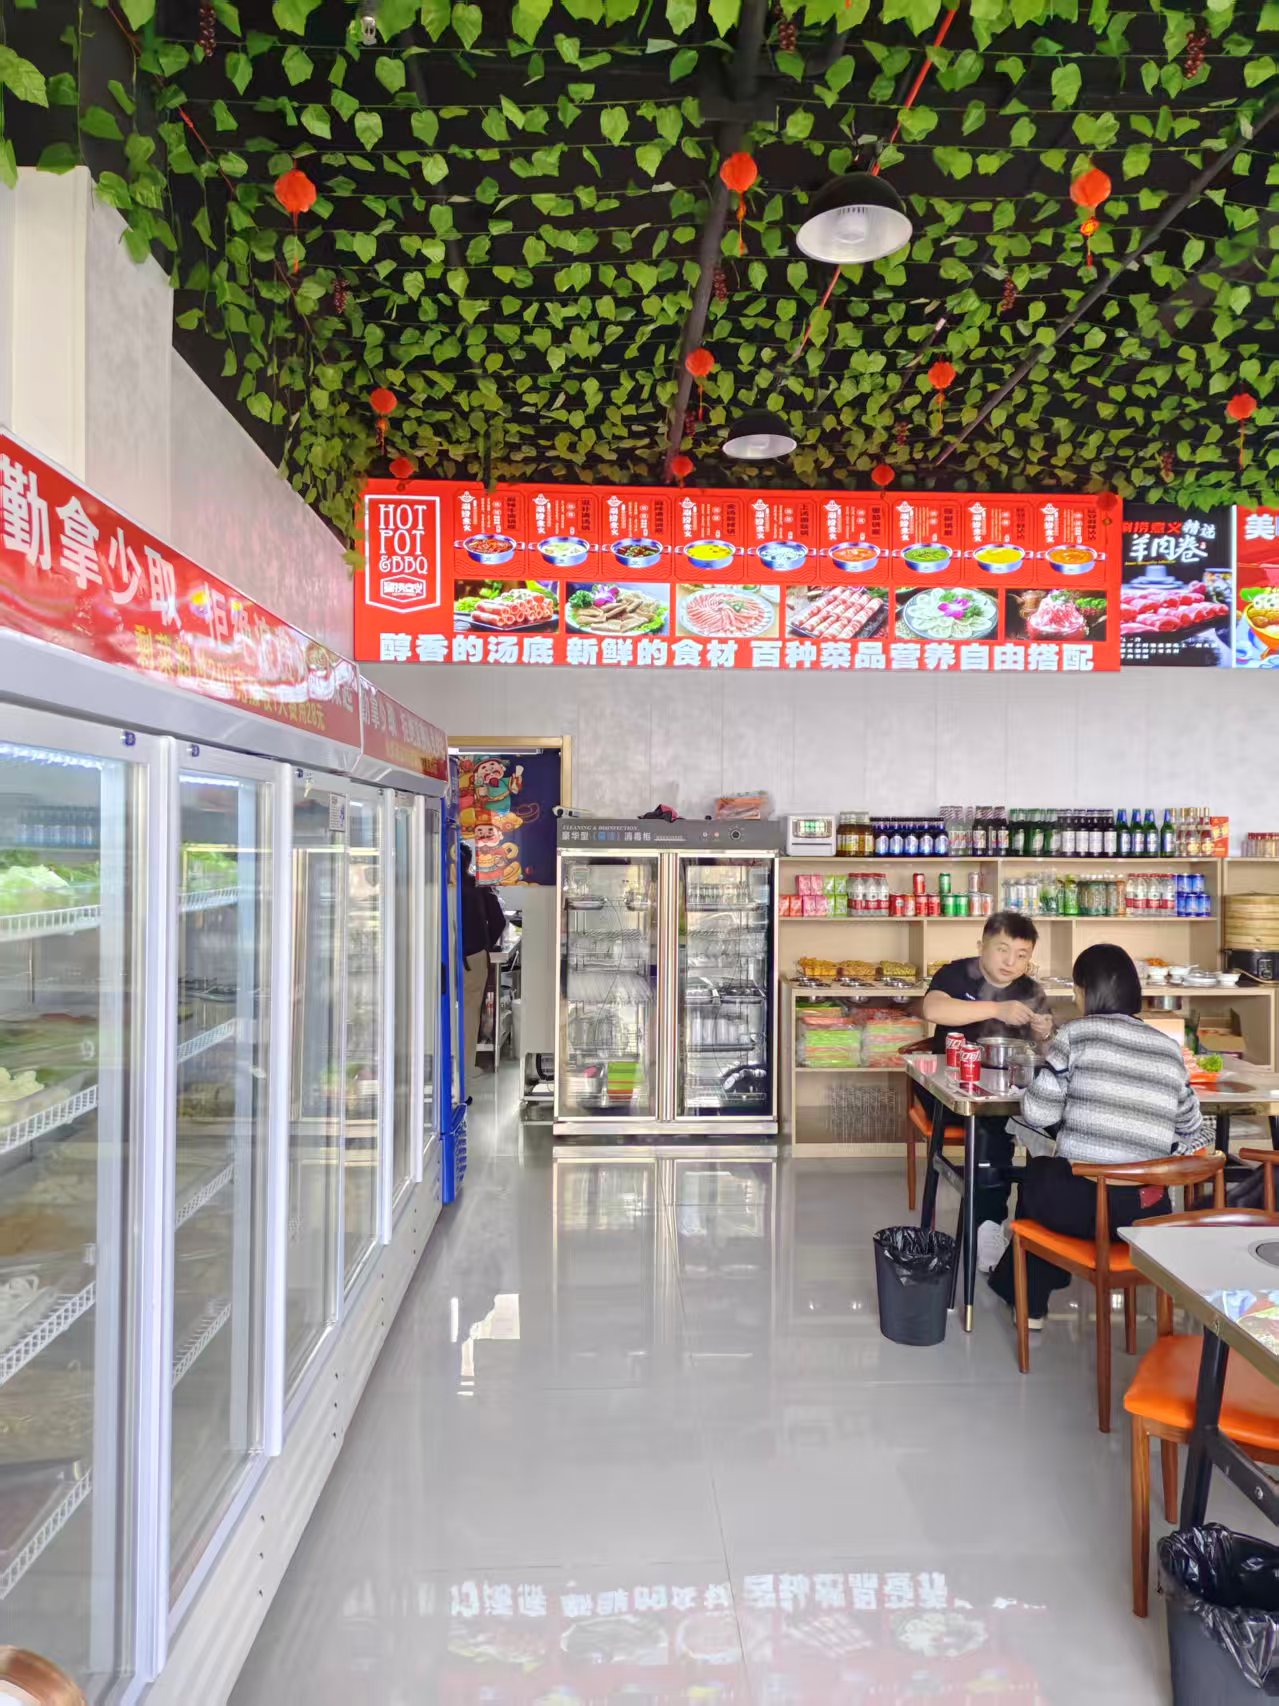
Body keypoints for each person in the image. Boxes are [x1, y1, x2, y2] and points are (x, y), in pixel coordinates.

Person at [988, 943, 1206, 1328]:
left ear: (1086, 990)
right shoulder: (1169, 1049)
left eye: (1077, 989)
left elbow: (1038, 1113)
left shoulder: (1076, 1034)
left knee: (1038, 1177)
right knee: (1054, 1180)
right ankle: (1022, 1288)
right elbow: (1193, 1127)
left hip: (1080, 1207)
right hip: (1146, 1212)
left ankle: (1030, 1303)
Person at [920, 911, 1055, 1272]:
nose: (1011, 962)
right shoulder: (956, 973)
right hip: (950, 1091)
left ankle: (1035, 1225)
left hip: (1012, 1092)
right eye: (1002, 950)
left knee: (1055, 1130)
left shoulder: (1029, 989)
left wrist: (1043, 1030)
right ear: (982, 946)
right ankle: (988, 1225)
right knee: (991, 1131)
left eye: (1022, 955)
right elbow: (933, 1008)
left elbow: (1047, 1045)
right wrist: (996, 1008)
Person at [460, 842, 507, 1074]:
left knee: (438, 1008)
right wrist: (486, 944)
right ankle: (466, 1067)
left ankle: (437, 1063)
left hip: (439, 958)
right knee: (469, 1011)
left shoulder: (434, 884)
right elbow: (499, 921)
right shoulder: (479, 885)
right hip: (473, 956)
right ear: (469, 862)